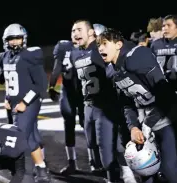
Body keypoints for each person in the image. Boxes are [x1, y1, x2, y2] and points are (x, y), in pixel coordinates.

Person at [97, 28, 177, 183]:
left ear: (119, 44)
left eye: (105, 44)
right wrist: (133, 127)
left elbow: (166, 95)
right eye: (99, 45)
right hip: (144, 122)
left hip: (167, 118)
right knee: (145, 171)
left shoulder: (136, 57)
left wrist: (147, 125)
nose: (100, 48)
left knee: (169, 170)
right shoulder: (112, 72)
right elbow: (126, 103)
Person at [71, 20, 137, 183]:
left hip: (105, 106)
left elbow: (116, 71)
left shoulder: (99, 49)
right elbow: (78, 86)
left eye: (79, 30)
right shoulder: (76, 54)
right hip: (88, 107)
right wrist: (80, 110)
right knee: (93, 146)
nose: (75, 33)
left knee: (108, 151)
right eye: (73, 31)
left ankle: (123, 176)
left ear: (92, 32)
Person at [0, 23, 50, 182]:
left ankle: (20, 173)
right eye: (11, 39)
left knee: (19, 137)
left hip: (30, 101)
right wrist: (7, 98)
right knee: (31, 136)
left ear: (23, 39)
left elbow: (41, 85)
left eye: (17, 38)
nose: (14, 42)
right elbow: (7, 82)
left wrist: (25, 102)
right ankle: (41, 169)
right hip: (13, 103)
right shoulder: (4, 57)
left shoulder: (30, 55)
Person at [48, 38, 84, 175]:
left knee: (70, 126)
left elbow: (57, 67)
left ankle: (73, 163)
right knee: (88, 126)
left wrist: (51, 86)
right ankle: (96, 162)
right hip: (80, 91)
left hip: (70, 91)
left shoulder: (63, 47)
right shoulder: (81, 47)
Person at [151, 14, 177, 92]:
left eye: (169, 25)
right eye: (163, 26)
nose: (165, 28)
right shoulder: (156, 44)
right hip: (162, 86)